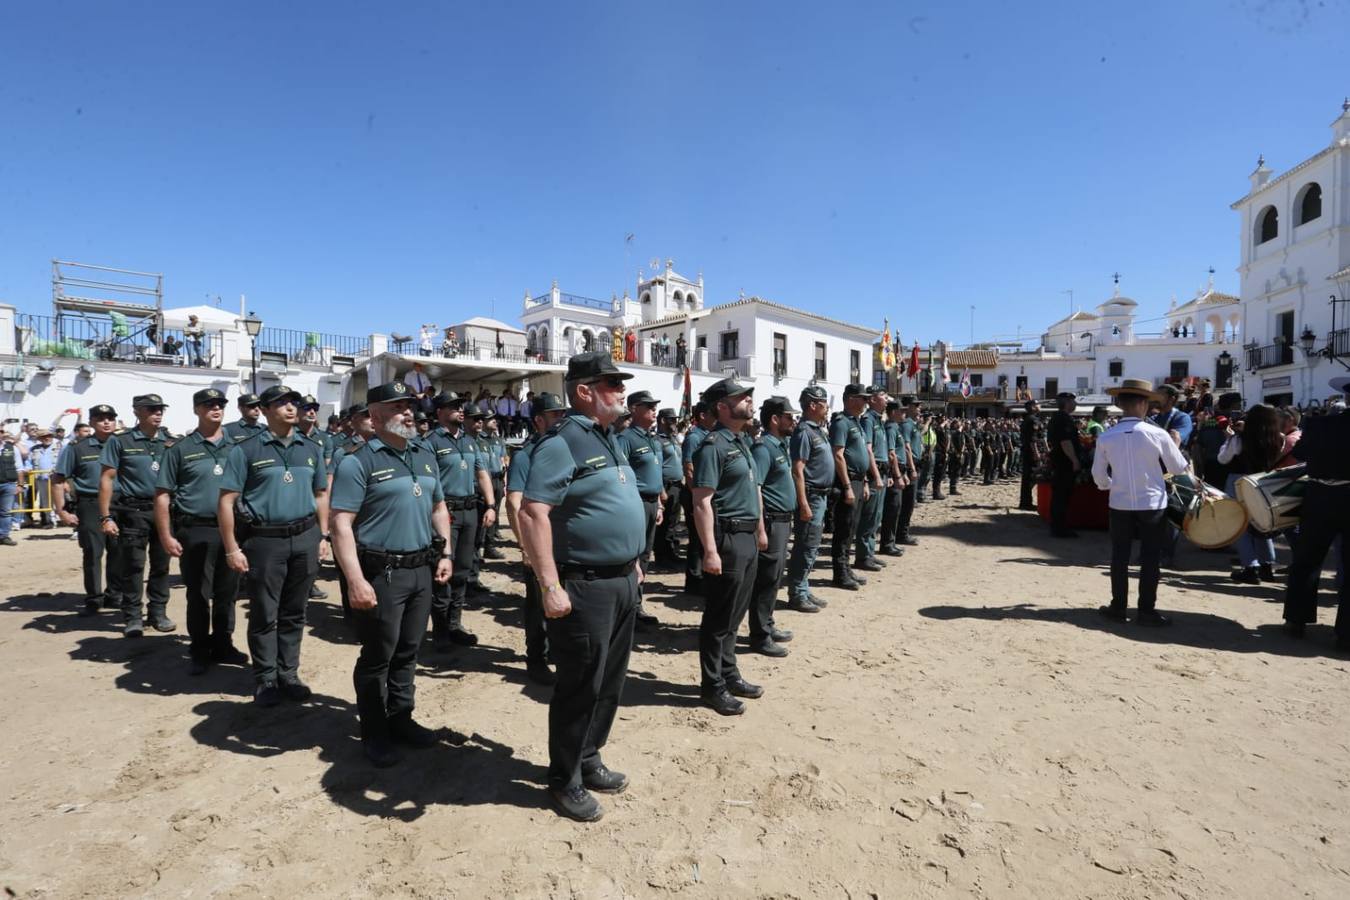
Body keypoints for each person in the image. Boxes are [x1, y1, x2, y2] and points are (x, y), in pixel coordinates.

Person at [515, 351, 645, 822]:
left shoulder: (608, 437)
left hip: (621, 578)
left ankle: (589, 757)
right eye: (612, 383)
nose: (621, 390)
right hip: (585, 584)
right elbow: (533, 513)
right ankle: (564, 779)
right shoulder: (563, 441)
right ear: (585, 391)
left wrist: (632, 560)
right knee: (580, 686)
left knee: (610, 681)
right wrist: (549, 584)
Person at [329, 381, 452, 766]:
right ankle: (374, 731)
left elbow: (439, 508)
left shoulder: (424, 454)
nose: (408, 412)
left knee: (409, 650)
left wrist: (446, 552)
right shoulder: (357, 461)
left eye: (409, 406)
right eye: (398, 407)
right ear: (376, 415)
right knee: (378, 654)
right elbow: (340, 524)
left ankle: (401, 718)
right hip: (382, 573)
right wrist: (355, 580)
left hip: (421, 569)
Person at [218, 384, 331, 706]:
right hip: (265, 541)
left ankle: (288, 674)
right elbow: (226, 501)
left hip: (305, 537)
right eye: (281, 403)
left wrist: (322, 536)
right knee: (265, 612)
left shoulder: (310, 448)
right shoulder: (246, 450)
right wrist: (231, 547)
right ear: (265, 410)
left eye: (293, 402)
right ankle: (266, 678)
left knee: (295, 611)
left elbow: (321, 494)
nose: (291, 408)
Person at [154, 388, 245, 675]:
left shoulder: (237, 448)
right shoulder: (180, 449)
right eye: (208, 405)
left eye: (219, 404)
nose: (215, 409)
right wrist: (166, 535)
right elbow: (162, 495)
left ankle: (223, 643)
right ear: (196, 410)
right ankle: (199, 648)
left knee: (228, 592)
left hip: (231, 530)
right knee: (198, 593)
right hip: (195, 529)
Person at [691, 376, 766, 716]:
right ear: (722, 407)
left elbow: (753, 491)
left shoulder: (741, 441)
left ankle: (729, 672)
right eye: (741, 397)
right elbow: (702, 502)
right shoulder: (713, 446)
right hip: (728, 539)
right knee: (719, 618)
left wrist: (760, 530)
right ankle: (712, 685)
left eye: (749, 396)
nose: (749, 400)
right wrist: (710, 550)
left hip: (747, 536)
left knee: (736, 614)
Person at [1091, 379, 1189, 625]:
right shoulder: (1158, 434)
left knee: (1119, 556)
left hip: (1120, 503)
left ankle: (1118, 606)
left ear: (1120, 404)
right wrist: (1175, 446)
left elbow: (1098, 475)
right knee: (1150, 557)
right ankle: (1146, 610)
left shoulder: (1106, 436)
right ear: (1144, 404)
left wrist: (1111, 485)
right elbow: (1178, 468)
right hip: (1153, 503)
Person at [1282, 375, 1350, 652]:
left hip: (1319, 496)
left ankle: (1296, 621)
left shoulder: (1320, 424)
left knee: (1307, 560)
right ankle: (1345, 635)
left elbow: (1300, 454)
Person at [422, 392, 494, 650]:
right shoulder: (430, 442)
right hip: (446, 512)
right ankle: (441, 631)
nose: (460, 410)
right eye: (453, 406)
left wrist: (491, 505)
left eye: (460, 406)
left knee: (463, 570)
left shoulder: (469, 440)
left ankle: (455, 624)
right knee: (444, 570)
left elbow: (482, 474)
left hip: (469, 511)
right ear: (439, 412)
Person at [504, 391, 567, 685]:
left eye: (562, 414)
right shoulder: (526, 454)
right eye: (555, 415)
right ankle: (536, 659)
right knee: (538, 607)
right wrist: (525, 545)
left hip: (563, 540)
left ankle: (556, 652)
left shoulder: (562, 449)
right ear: (539, 420)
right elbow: (514, 501)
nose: (561, 420)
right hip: (539, 542)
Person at [99, 394, 175, 637]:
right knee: (133, 566)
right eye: (151, 409)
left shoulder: (171, 441)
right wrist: (106, 516)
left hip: (164, 511)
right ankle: (132, 616)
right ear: (137, 412)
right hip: (134, 512)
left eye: (160, 409)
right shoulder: (120, 441)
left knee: (161, 565)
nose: (158, 413)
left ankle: (158, 612)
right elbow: (107, 478)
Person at [53, 404, 121, 611]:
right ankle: (94, 597)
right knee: (93, 552)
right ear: (91, 422)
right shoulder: (77, 447)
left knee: (119, 551)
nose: (106, 422)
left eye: (110, 418)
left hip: (120, 503)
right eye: (100, 418)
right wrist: (61, 511)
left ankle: (114, 595)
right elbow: (58, 479)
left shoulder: (124, 444)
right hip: (90, 504)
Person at [748, 396, 799, 657]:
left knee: (775, 577)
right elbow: (755, 488)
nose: (794, 421)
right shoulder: (764, 448)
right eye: (789, 417)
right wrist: (760, 528)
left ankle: (767, 624)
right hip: (771, 521)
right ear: (775, 419)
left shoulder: (779, 445)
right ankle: (760, 635)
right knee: (766, 579)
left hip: (783, 520)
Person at [615, 390, 665, 626]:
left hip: (652, 503)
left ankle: (636, 604)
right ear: (634, 409)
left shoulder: (651, 438)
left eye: (655, 406)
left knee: (644, 556)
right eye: (649, 406)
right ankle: (627, 607)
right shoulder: (626, 438)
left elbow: (655, 472)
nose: (654, 410)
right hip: (636, 503)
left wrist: (660, 503)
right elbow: (621, 476)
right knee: (631, 555)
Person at [1219, 405, 1286, 584]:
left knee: (1240, 525)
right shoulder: (1279, 438)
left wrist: (1229, 439)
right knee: (1263, 523)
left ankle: (1250, 566)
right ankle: (1267, 565)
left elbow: (1222, 459)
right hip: (1265, 481)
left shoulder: (1239, 439)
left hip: (1240, 482)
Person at [785, 385, 833, 612]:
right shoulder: (804, 431)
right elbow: (798, 470)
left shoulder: (816, 430)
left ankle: (803, 587)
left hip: (820, 496)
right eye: (824, 404)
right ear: (812, 405)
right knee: (805, 545)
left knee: (812, 546)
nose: (827, 408)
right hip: (811, 496)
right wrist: (803, 503)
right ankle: (797, 593)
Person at [831, 384, 873, 589]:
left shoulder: (856, 422)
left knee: (852, 528)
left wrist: (864, 482)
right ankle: (840, 573)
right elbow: (838, 455)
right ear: (850, 399)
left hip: (857, 480)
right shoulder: (841, 422)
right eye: (862, 398)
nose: (866, 402)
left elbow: (860, 455)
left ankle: (846, 568)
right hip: (846, 481)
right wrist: (847, 486)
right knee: (844, 528)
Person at [681, 402, 715, 594]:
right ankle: (694, 580)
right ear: (702, 416)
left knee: (703, 537)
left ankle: (702, 576)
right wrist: (696, 497)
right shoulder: (694, 436)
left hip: (704, 493)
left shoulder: (708, 435)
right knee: (696, 538)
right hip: (695, 493)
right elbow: (689, 469)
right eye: (712, 413)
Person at [652, 408, 685, 569]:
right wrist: (661, 490)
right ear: (663, 420)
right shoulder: (657, 440)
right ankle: (661, 556)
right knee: (663, 524)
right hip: (666, 485)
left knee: (673, 522)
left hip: (677, 485)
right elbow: (656, 467)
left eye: (675, 419)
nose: (675, 423)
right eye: (671, 420)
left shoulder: (673, 439)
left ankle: (671, 552)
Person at [1047, 392, 1082, 538]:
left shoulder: (1057, 417)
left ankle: (1057, 526)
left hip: (1059, 461)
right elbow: (1065, 442)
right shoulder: (1063, 418)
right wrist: (1074, 460)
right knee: (1062, 495)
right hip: (1064, 462)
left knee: (1059, 495)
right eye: (1073, 401)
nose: (1075, 404)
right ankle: (1059, 528)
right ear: (1067, 402)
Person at [477, 416, 508, 560]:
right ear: (483, 422)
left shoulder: (498, 440)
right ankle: (478, 547)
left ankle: (489, 546)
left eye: (495, 419)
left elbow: (504, 458)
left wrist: (504, 480)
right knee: (482, 514)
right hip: (486, 480)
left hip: (498, 479)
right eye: (490, 419)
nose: (495, 421)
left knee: (494, 512)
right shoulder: (478, 440)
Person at [1, 431, 22, 547]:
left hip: (8, 484)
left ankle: (4, 536)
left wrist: (20, 485)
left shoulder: (12, 448)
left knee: (6, 512)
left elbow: (19, 467)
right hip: (7, 484)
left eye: (1, 431)